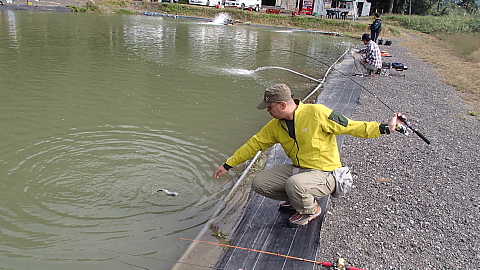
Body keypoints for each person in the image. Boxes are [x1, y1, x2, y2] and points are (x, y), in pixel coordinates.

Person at [214, 84, 404, 227]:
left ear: (282, 105)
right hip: (300, 170)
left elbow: (351, 126)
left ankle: (311, 210)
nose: (268, 111)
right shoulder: (275, 126)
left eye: (269, 107)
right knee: (259, 183)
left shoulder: (316, 113)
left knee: (295, 184)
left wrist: (385, 127)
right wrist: (228, 165)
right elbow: (253, 145)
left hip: (327, 173)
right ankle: (298, 198)